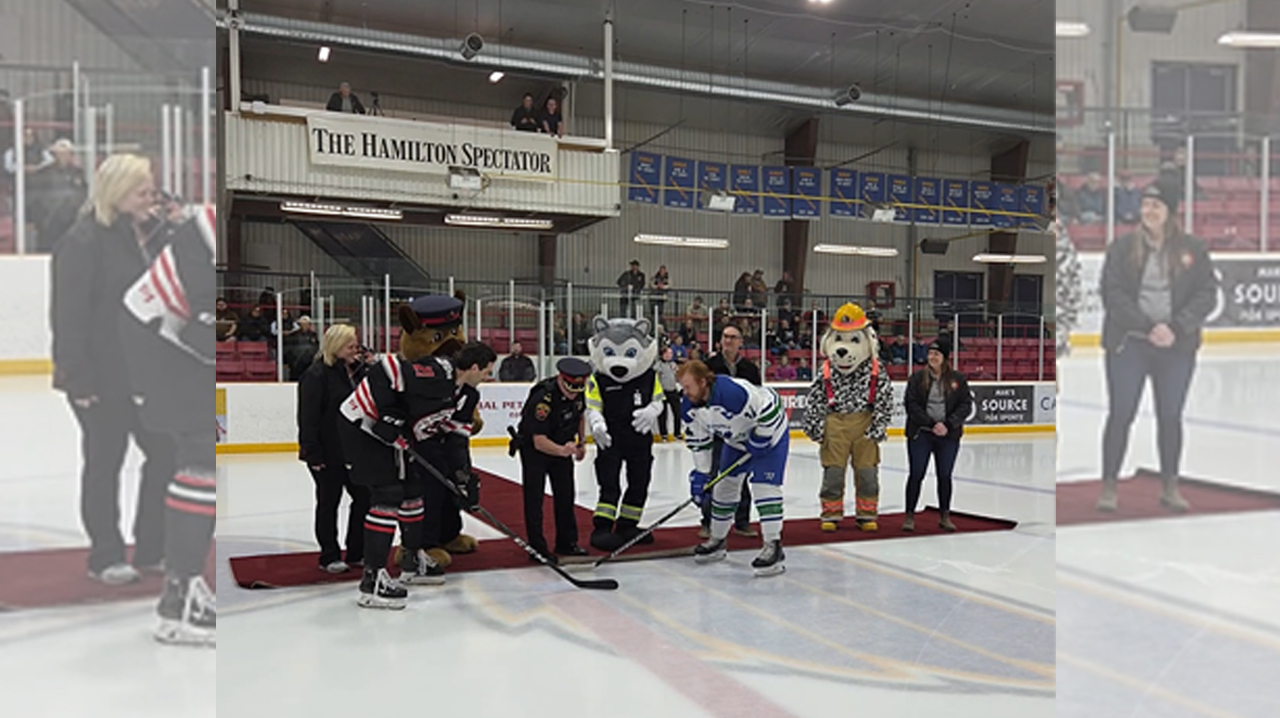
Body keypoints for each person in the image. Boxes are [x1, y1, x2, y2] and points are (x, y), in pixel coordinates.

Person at [49, 153, 176, 585]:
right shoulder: (83, 242)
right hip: (98, 379)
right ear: (119, 194)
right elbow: (68, 316)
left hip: (138, 376)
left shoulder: (137, 237)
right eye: (143, 192)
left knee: (164, 453)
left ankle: (152, 546)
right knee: (105, 461)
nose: (151, 198)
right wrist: (78, 378)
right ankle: (105, 554)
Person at [115, 164, 218, 644]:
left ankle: (180, 591)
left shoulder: (209, 229)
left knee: (199, 464)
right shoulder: (208, 237)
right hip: (159, 348)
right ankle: (181, 598)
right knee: (201, 466)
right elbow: (193, 326)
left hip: (161, 344)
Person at [338, 326, 495, 608]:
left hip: (397, 436)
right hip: (363, 427)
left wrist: (463, 478)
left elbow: (456, 441)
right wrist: (388, 417)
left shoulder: (467, 397)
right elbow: (386, 369)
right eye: (486, 372)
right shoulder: (436, 371)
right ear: (473, 367)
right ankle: (372, 582)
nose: (488, 378)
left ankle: (412, 559)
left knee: (413, 491)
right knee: (388, 494)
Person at [1097, 179, 1216, 513]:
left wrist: (1177, 327)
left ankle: (1170, 486)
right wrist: (1147, 326)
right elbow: (1112, 293)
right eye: (1145, 204)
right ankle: (1108, 485)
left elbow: (1207, 293)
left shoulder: (1194, 249)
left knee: (1170, 416)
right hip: (1129, 345)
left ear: (1170, 212)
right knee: (1121, 414)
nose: (1148, 211)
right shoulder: (1121, 248)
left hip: (1176, 347)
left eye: (1156, 205)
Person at [678, 361, 789, 577]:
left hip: (770, 437)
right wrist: (701, 475)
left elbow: (770, 405)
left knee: (764, 487)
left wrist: (761, 438)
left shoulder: (732, 393)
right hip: (736, 441)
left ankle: (773, 545)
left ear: (702, 382)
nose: (685, 392)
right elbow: (700, 443)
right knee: (724, 487)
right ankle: (718, 540)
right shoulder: (689, 406)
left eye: (688, 387)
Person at [297, 325, 371, 573]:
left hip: (352, 451)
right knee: (329, 501)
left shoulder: (355, 372)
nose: (355, 351)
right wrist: (313, 452)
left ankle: (356, 550)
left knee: (364, 497)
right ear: (336, 347)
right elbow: (308, 418)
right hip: (326, 452)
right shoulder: (316, 375)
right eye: (351, 346)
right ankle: (329, 555)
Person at [513, 357, 591, 562]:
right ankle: (537, 548)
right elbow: (538, 441)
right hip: (535, 451)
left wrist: (581, 443)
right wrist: (563, 451)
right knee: (534, 498)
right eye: (570, 388)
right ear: (560, 378)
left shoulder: (578, 393)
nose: (573, 393)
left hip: (562, 445)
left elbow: (580, 415)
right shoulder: (543, 398)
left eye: (577, 389)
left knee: (566, 495)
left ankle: (567, 543)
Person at [902, 340, 973, 532]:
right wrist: (931, 424)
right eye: (930, 353)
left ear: (945, 358)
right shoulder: (917, 378)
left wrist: (949, 424)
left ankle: (944, 515)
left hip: (948, 435)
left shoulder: (958, 379)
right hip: (921, 434)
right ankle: (909, 515)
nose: (932, 357)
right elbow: (911, 404)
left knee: (945, 476)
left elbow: (966, 405)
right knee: (916, 474)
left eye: (937, 354)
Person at [698, 324, 761, 537]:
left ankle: (742, 521)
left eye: (733, 337)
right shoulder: (709, 366)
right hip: (717, 431)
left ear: (740, 342)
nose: (728, 341)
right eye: (725, 337)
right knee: (714, 475)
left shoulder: (750, 369)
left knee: (740, 476)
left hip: (742, 433)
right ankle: (707, 521)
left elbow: (758, 399)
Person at [656, 346, 683, 441]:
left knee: (677, 412)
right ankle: (663, 433)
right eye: (667, 353)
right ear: (662, 354)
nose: (669, 355)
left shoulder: (673, 364)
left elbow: (677, 376)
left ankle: (677, 432)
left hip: (673, 390)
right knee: (663, 414)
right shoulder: (658, 365)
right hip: (663, 391)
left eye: (671, 353)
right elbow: (657, 378)